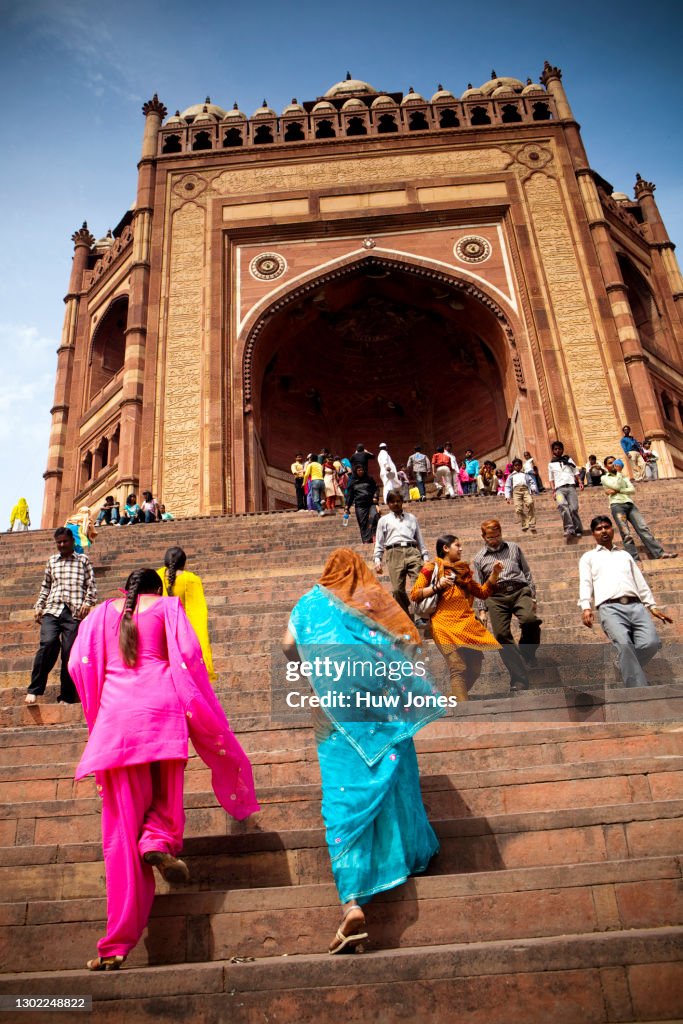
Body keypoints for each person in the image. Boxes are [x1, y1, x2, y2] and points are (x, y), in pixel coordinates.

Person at [69, 567, 259, 970]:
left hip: (116, 723)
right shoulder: (169, 607)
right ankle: (158, 839)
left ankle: (116, 944)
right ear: (158, 588)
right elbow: (189, 658)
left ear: (126, 589)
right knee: (164, 800)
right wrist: (203, 710)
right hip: (162, 714)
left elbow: (76, 665)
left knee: (119, 837)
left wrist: (98, 707)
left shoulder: (101, 614)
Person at [283, 549, 443, 954]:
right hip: (382, 706)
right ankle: (405, 858)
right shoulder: (373, 600)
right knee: (392, 773)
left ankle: (351, 900)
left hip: (333, 710)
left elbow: (288, 646)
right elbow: (407, 640)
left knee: (342, 794)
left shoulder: (307, 604)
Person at [579, 516, 673, 688]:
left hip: (636, 605)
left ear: (612, 530)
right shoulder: (588, 557)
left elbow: (640, 581)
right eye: (599, 529)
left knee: (651, 643)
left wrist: (651, 605)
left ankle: (623, 664)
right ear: (593, 534)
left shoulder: (625, 555)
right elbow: (585, 582)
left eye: (606, 527)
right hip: (609, 608)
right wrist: (586, 607)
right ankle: (639, 691)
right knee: (624, 644)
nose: (603, 531)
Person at [410, 535, 502, 701]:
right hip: (443, 625)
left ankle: (453, 698)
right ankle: (463, 709)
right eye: (457, 545)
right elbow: (415, 594)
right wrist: (438, 586)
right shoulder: (431, 568)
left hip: (466, 624)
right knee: (458, 667)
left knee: (474, 668)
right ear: (446, 548)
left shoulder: (462, 571)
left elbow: (482, 593)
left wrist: (494, 574)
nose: (461, 549)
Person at [25, 527, 97, 706]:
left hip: (74, 612)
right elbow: (46, 586)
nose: (62, 545)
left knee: (69, 653)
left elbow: (92, 586)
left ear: (73, 541)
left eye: (65, 541)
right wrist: (39, 606)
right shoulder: (52, 561)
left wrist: (87, 603)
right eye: (59, 542)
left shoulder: (83, 561)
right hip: (53, 609)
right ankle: (34, 689)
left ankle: (66, 695)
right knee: (48, 644)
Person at [473, 519, 542, 692]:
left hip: (519, 591)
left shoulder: (514, 548)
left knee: (530, 620)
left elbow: (526, 572)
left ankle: (527, 652)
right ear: (483, 537)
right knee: (501, 636)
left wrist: (533, 597)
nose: (495, 540)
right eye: (491, 537)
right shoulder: (479, 558)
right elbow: (479, 586)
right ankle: (519, 679)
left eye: (497, 535)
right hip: (495, 597)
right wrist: (482, 610)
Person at [157, 547, 217, 680]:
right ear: (184, 563)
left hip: (161, 633)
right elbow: (197, 613)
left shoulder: (157, 576)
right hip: (183, 635)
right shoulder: (190, 579)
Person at [600, 457, 677, 562]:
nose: (613, 464)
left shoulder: (624, 476)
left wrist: (617, 490)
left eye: (614, 462)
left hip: (630, 505)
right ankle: (634, 559)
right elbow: (616, 484)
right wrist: (618, 476)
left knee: (643, 528)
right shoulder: (604, 478)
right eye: (610, 463)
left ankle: (659, 553)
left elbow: (632, 489)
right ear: (605, 466)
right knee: (626, 533)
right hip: (617, 506)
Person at [374, 490, 429, 618]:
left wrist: (425, 557)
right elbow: (379, 541)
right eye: (392, 502)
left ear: (402, 502)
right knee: (397, 590)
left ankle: (420, 616)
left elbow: (419, 538)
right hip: (394, 553)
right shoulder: (383, 520)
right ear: (388, 504)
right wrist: (377, 560)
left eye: (398, 501)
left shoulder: (412, 518)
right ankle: (406, 616)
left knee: (419, 584)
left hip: (412, 551)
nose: (396, 504)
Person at [548, 441, 584, 540]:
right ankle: (569, 529)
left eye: (559, 448)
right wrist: (553, 491)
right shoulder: (551, 464)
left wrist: (580, 482)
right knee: (561, 505)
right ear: (553, 451)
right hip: (559, 489)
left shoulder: (568, 460)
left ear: (562, 449)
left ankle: (578, 529)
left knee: (573, 508)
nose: (557, 450)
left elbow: (575, 471)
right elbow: (551, 479)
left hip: (571, 487)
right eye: (555, 449)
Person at [345, 465, 380, 544]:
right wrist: (347, 508)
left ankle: (375, 538)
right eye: (359, 470)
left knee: (374, 520)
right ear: (356, 471)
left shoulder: (369, 479)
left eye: (362, 470)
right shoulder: (353, 482)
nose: (361, 472)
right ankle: (366, 540)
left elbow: (376, 488)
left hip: (371, 504)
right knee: (363, 523)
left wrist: (375, 497)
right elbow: (350, 496)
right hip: (360, 506)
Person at [504, 458, 537, 532]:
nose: (517, 467)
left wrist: (533, 488)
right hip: (516, 492)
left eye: (519, 465)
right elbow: (507, 486)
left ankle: (532, 522)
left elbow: (531, 481)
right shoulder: (511, 476)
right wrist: (507, 496)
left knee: (530, 503)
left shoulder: (525, 474)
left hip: (525, 490)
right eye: (515, 465)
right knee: (518, 509)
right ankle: (525, 522)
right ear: (513, 466)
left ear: (521, 466)